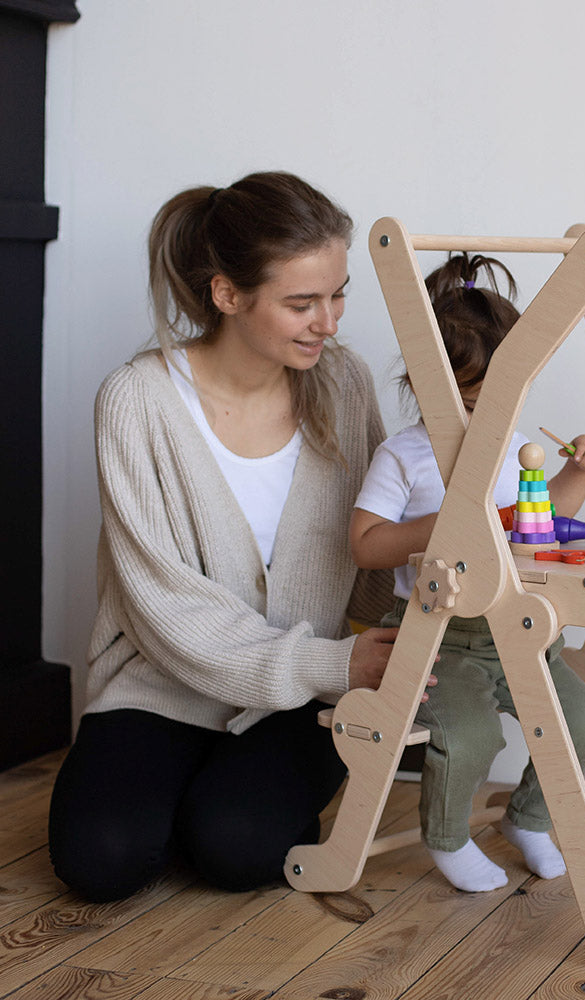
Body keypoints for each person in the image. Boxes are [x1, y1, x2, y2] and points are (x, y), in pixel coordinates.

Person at [48, 171, 424, 903]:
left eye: (338, 293)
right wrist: (334, 660)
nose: (330, 322)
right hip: (162, 684)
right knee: (100, 862)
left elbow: (374, 547)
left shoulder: (342, 385)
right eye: (301, 303)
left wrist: (384, 650)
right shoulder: (137, 401)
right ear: (227, 295)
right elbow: (165, 607)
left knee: (237, 849)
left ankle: (221, 799)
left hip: (307, 696)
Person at [350, 253, 585, 892]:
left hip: (515, 633)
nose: (485, 414)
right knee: (470, 738)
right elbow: (365, 545)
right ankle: (448, 837)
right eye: (470, 398)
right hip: (436, 636)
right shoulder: (405, 454)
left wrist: (577, 475)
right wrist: (454, 526)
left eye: (501, 397)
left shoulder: (512, 445)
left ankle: (531, 819)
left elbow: (536, 523)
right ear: (427, 384)